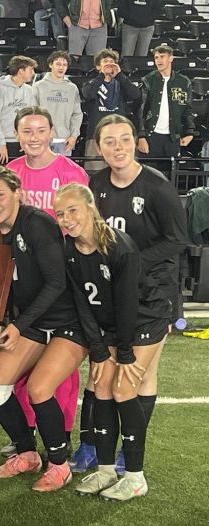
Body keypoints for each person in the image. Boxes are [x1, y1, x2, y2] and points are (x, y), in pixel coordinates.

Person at [54, 183, 169, 501]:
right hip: (109, 327)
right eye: (61, 213)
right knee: (101, 385)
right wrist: (100, 351)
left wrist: (126, 355)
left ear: (90, 207)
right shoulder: (69, 249)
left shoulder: (120, 247)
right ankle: (105, 471)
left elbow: (129, 306)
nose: (66, 218)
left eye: (73, 210)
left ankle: (135, 477)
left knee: (122, 389)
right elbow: (82, 303)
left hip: (145, 321)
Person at [0, 166, 87, 492]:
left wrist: (18, 325)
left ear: (17, 194)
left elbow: (55, 284)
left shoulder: (37, 222)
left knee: (40, 389)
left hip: (68, 322)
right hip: (34, 324)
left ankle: (59, 465)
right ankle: (27, 454)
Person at [89, 114, 188, 450]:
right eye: (110, 141)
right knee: (110, 376)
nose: (119, 147)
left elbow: (177, 240)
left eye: (125, 139)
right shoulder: (96, 186)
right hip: (112, 293)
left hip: (152, 293)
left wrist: (132, 265)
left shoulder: (157, 186)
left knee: (137, 376)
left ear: (136, 142)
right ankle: (102, 448)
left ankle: (129, 452)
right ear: (99, 148)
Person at [7, 106, 89, 217]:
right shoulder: (10, 172)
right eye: (27, 132)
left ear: (51, 133)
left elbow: (82, 219)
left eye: (41, 131)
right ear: (16, 134)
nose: (34, 138)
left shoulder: (73, 173)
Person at [137, 45, 195, 180]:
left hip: (172, 138)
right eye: (156, 57)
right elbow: (140, 110)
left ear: (171, 58)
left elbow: (188, 109)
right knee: (147, 179)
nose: (158, 60)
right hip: (151, 137)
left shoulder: (183, 82)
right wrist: (141, 136)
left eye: (162, 56)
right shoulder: (148, 80)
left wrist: (190, 132)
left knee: (168, 180)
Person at [81, 49, 142, 170]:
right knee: (95, 173)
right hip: (95, 136)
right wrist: (101, 76)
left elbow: (136, 95)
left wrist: (119, 76)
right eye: (105, 61)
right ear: (98, 66)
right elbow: (89, 94)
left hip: (118, 136)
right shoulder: (91, 83)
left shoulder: (121, 84)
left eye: (112, 61)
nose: (109, 63)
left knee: (120, 171)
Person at [0, 56, 38, 163]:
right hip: (2, 142)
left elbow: (31, 118)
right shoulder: (0, 89)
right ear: (21, 71)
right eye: (31, 70)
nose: (33, 73)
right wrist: (2, 143)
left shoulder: (29, 90)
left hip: (21, 141)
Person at [34, 51, 82, 156]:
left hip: (64, 141)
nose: (61, 68)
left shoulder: (72, 88)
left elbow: (77, 114)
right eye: (58, 64)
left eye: (64, 65)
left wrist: (74, 136)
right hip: (42, 140)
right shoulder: (38, 86)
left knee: (62, 172)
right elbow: (32, 114)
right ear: (51, 65)